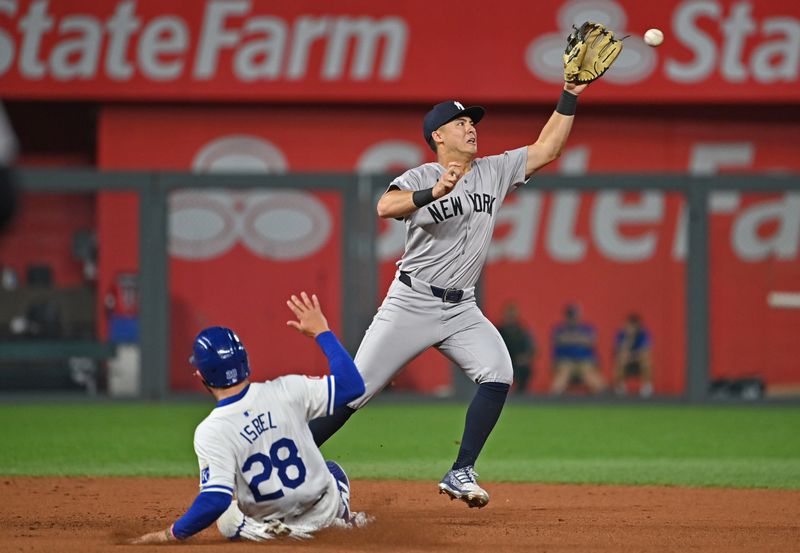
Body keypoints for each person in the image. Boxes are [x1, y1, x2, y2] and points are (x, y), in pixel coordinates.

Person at [308, 75, 600, 508]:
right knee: (355, 390)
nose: (470, 127)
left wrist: (570, 94)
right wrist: (432, 191)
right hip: (411, 301)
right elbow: (385, 206)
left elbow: (547, 150)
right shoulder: (422, 174)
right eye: (460, 122)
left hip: (461, 306)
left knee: (499, 372)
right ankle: (292, 454)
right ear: (438, 136)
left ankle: (461, 470)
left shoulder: (494, 170)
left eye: (472, 121)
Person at [131, 292, 367, 544]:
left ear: (201, 376)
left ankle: (280, 534)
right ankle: (340, 518)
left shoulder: (211, 430)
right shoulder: (288, 389)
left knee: (227, 517)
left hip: (270, 522)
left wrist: (169, 534)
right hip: (323, 511)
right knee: (333, 471)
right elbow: (353, 386)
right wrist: (322, 332)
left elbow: (215, 499)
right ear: (246, 364)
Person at [550, 304, 606, 395]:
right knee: (564, 373)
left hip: (585, 361)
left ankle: (604, 397)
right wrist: (580, 339)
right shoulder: (559, 329)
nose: (572, 318)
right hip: (565, 361)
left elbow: (591, 342)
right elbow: (558, 340)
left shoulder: (588, 328)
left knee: (589, 375)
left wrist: (569, 339)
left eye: (574, 315)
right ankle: (554, 399)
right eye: (570, 316)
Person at [496, 302, 536, 395]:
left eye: (512, 315)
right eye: (509, 315)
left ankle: (520, 394)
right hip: (501, 363)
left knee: (525, 368)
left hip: (517, 363)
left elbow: (532, 349)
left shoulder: (522, 331)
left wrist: (525, 358)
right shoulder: (498, 331)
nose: (510, 318)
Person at [613, 313, 654, 398]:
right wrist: (629, 339)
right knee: (620, 360)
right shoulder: (621, 334)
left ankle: (646, 387)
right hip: (626, 362)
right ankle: (620, 387)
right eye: (629, 325)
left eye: (633, 326)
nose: (630, 328)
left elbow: (645, 352)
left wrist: (632, 356)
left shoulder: (644, 334)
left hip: (638, 362)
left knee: (646, 361)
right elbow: (619, 352)